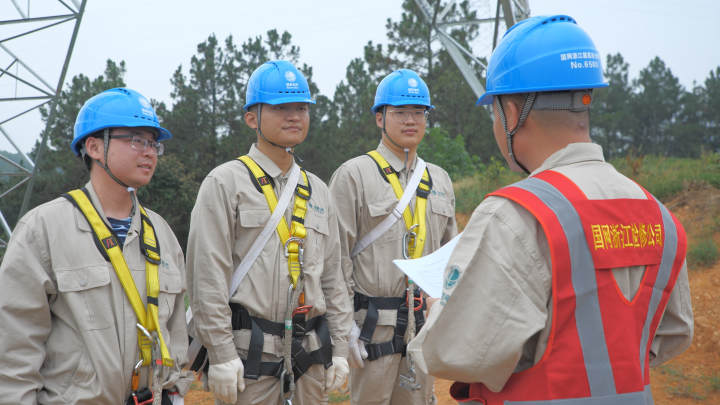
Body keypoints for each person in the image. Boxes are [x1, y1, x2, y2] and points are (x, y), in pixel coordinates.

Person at [407, 15, 693, 404]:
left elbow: (453, 353)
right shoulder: (660, 216)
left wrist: (443, 306)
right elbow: (673, 333)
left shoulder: (515, 215)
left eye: (494, 112)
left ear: (510, 113)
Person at [0, 87, 193, 404]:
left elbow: (174, 337)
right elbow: (13, 349)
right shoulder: (43, 229)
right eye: (135, 140)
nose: (149, 152)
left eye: (153, 143)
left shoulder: (161, 233)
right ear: (94, 147)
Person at [186, 60, 352, 405]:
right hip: (249, 358)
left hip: (311, 355)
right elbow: (207, 276)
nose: (293, 116)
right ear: (252, 117)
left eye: (301, 108)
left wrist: (340, 348)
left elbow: (335, 277)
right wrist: (221, 353)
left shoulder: (318, 190)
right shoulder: (226, 182)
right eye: (280, 108)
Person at [329, 68, 457, 405]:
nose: (411, 120)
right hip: (371, 329)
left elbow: (450, 258)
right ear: (379, 118)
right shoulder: (354, 175)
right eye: (400, 112)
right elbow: (334, 258)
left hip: (423, 327)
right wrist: (343, 330)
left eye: (419, 112)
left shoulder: (439, 179)